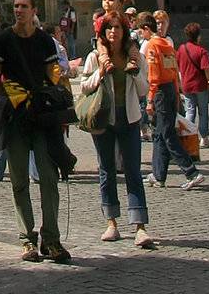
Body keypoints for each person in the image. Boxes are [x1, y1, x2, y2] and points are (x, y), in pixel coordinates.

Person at [0, 0, 72, 265]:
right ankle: (27, 239)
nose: (18, 10)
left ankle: (52, 239)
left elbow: (53, 76)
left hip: (41, 117)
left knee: (48, 179)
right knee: (20, 180)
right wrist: (13, 100)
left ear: (34, 10)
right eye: (15, 6)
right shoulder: (2, 40)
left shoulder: (45, 42)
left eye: (24, 6)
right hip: (15, 118)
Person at [80, 14, 154, 248]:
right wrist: (100, 73)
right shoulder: (95, 57)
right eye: (109, 28)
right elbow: (84, 86)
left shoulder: (136, 58)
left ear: (124, 31)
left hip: (130, 118)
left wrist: (134, 73)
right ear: (103, 33)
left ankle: (140, 226)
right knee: (106, 170)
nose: (113, 31)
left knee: (133, 171)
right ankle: (111, 223)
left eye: (117, 27)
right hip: (104, 118)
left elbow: (143, 89)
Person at [137, 12, 203, 190]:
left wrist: (150, 99)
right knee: (159, 134)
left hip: (159, 92)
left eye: (140, 32)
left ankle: (192, 172)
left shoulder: (152, 45)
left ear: (145, 29)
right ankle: (159, 175)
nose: (140, 35)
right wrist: (176, 93)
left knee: (167, 135)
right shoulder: (166, 43)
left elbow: (154, 75)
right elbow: (174, 72)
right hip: (170, 90)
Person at [176, 22, 209, 146]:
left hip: (186, 84)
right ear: (198, 36)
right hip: (200, 85)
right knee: (203, 112)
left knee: (190, 111)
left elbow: (176, 66)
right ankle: (204, 138)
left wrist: (179, 82)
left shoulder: (181, 49)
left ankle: (187, 136)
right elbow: (206, 68)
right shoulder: (201, 50)